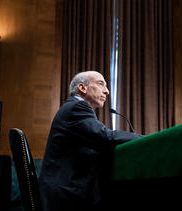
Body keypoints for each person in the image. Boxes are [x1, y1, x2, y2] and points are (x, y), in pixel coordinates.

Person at [39, 71, 143, 211]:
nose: (106, 91)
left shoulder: (72, 107)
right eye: (101, 84)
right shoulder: (77, 107)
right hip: (65, 195)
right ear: (82, 88)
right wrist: (146, 139)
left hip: (63, 191)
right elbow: (106, 137)